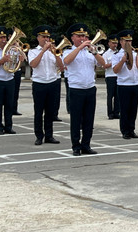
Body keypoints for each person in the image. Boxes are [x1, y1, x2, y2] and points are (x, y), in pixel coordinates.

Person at [63, 23, 106, 156]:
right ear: (73, 38)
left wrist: (93, 52)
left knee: (89, 119)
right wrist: (80, 47)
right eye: (79, 36)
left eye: (84, 36)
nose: (82, 38)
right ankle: (76, 146)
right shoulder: (68, 50)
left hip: (90, 88)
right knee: (76, 119)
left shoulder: (90, 52)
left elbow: (102, 64)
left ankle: (86, 144)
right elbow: (67, 61)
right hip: (76, 89)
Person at [28, 25, 64, 145]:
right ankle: (39, 136)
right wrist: (43, 51)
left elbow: (61, 67)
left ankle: (49, 135)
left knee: (50, 111)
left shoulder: (54, 51)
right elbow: (33, 64)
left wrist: (55, 53)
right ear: (38, 38)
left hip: (52, 83)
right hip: (39, 84)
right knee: (38, 111)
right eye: (43, 37)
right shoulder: (33, 51)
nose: (46, 39)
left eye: (48, 37)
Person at [0, 27, 24, 135]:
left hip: (10, 80)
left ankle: (8, 126)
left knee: (9, 105)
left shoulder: (12, 50)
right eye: (0, 37)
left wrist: (20, 61)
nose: (4, 39)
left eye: (4, 37)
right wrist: (1, 61)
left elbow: (15, 67)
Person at [111, 29, 138, 139]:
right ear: (121, 42)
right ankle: (125, 131)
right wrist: (123, 60)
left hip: (135, 83)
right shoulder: (117, 55)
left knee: (133, 109)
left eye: (130, 40)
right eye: (126, 40)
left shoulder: (136, 54)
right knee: (125, 109)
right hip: (123, 84)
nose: (129, 43)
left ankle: (131, 129)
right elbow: (115, 70)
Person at [102, 33, 120, 120]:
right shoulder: (106, 54)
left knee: (118, 96)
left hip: (118, 76)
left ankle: (116, 112)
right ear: (109, 43)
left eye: (116, 43)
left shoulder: (119, 53)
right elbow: (104, 66)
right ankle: (110, 113)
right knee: (110, 96)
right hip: (110, 76)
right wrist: (114, 63)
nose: (115, 45)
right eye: (113, 43)